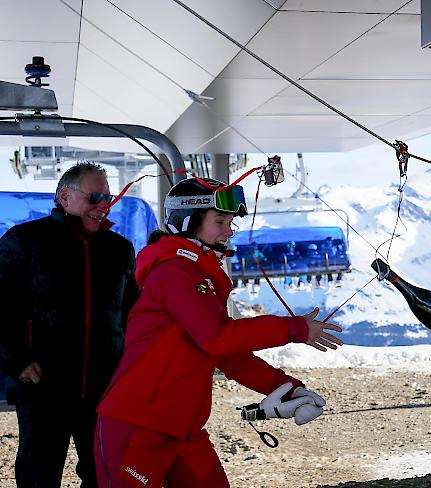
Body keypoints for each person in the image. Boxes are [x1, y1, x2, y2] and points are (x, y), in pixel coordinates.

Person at [94, 178, 343, 488]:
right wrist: (295, 328)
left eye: (230, 222)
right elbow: (218, 336)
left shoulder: (200, 275)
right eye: (220, 221)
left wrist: (288, 388)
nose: (229, 230)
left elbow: (230, 356)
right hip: (138, 427)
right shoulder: (173, 271)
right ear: (187, 222)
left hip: (182, 428)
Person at [0, 162, 139, 487]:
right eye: (94, 197)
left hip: (105, 388)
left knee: (104, 473)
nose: (102, 206)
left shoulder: (119, 250)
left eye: (108, 198)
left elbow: (133, 314)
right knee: (39, 474)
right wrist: (17, 360)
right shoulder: (26, 241)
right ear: (64, 196)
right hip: (44, 386)